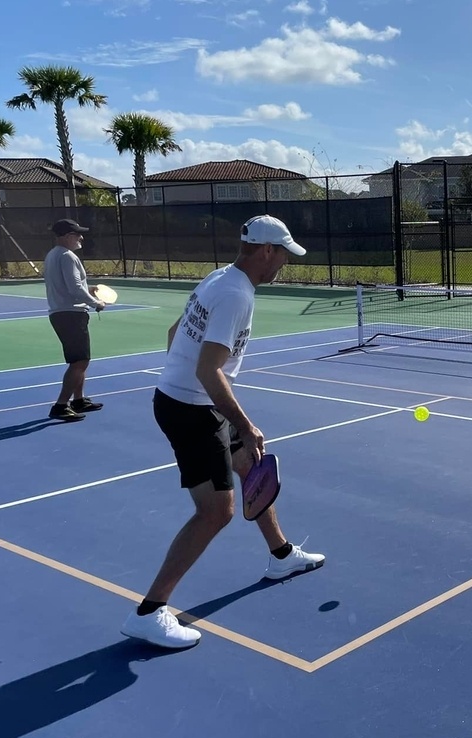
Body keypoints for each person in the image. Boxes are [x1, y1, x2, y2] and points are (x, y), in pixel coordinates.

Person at [121, 214, 325, 650]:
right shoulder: (236, 296)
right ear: (266, 250)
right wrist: (245, 424)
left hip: (194, 401)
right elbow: (209, 368)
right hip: (188, 411)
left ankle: (281, 557)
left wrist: (185, 381)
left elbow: (175, 332)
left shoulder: (220, 278)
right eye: (283, 255)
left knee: (250, 468)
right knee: (215, 512)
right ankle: (149, 612)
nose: (284, 264)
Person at [44, 218, 106, 422]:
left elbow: (69, 287)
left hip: (63, 313)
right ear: (66, 236)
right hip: (70, 315)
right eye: (77, 234)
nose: (81, 237)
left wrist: (89, 291)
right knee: (79, 361)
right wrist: (96, 302)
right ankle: (61, 405)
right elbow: (75, 289)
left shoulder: (53, 255)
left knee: (81, 360)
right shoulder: (67, 256)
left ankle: (79, 400)